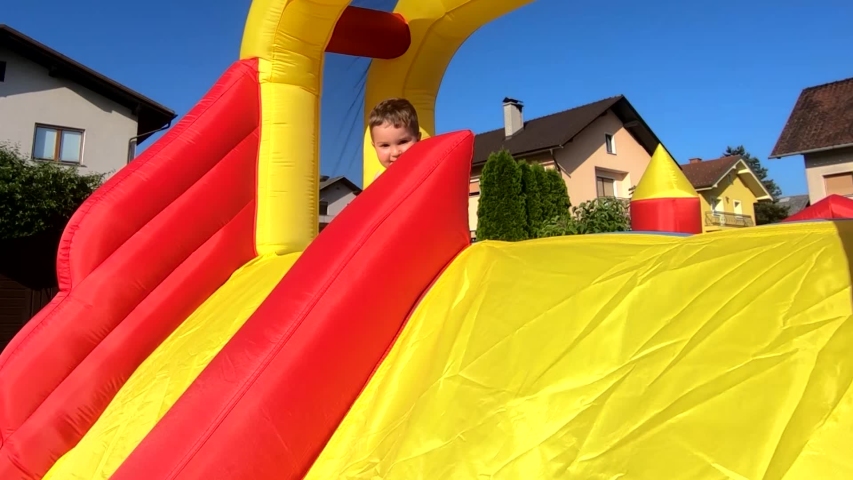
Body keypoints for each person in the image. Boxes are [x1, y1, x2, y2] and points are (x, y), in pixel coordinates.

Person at [368, 98, 421, 179]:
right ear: (374, 147)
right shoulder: (380, 183)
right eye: (385, 145)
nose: (395, 153)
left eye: (403, 142)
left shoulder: (431, 171)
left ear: (418, 139)